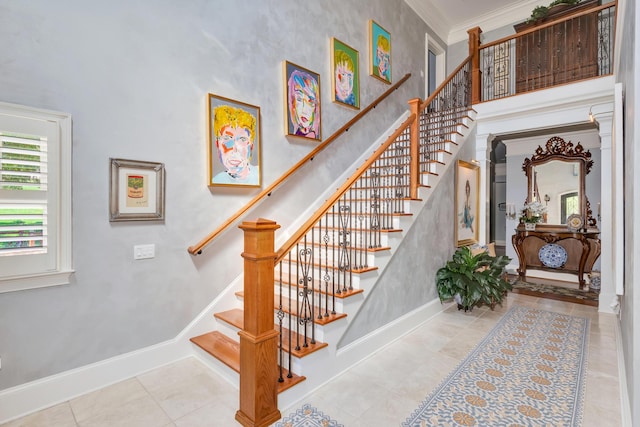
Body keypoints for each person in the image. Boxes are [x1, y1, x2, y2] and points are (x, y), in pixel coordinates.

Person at [211, 105, 259, 185]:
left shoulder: (259, 174)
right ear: (218, 145)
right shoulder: (216, 181)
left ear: (251, 146)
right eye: (227, 139)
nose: (234, 149)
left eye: (242, 140)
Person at [287, 69, 320, 139]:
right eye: (299, 99)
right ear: (293, 103)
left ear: (315, 109)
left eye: (310, 102)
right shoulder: (297, 134)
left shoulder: (311, 136)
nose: (304, 110)